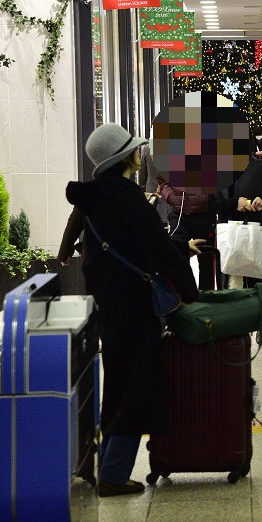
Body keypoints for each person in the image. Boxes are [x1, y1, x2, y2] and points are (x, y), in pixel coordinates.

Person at [65, 123, 199, 497]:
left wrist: (181, 246)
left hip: (111, 303)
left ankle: (110, 464)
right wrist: (189, 290)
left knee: (120, 382)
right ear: (127, 158)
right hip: (134, 306)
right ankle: (112, 473)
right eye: (136, 150)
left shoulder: (96, 199)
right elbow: (154, 247)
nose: (141, 154)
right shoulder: (126, 197)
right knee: (134, 386)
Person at [208, 140, 262, 292]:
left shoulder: (259, 167)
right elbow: (212, 204)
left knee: (256, 283)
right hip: (229, 236)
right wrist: (235, 203)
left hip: (254, 232)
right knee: (230, 286)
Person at [159, 179, 217, 290]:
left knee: (206, 261)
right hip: (178, 214)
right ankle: (182, 297)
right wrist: (170, 196)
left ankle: (208, 299)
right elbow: (162, 179)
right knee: (177, 257)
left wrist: (206, 197)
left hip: (205, 214)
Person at [137, 142, 171, 231]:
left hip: (152, 192)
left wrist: (142, 188)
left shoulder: (147, 148)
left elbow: (142, 174)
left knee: (152, 225)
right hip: (170, 194)